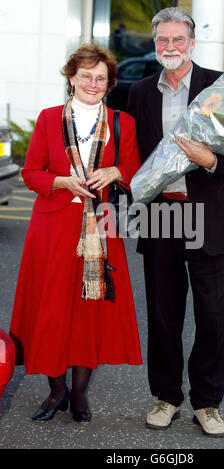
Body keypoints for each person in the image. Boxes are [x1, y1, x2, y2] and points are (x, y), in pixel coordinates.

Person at [128, 7, 224, 437]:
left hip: (210, 216)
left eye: (179, 40)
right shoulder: (141, 92)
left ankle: (208, 403)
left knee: (212, 314)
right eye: (163, 40)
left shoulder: (220, 86)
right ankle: (165, 397)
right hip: (161, 215)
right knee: (163, 313)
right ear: (155, 43)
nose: (171, 47)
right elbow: (134, 156)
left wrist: (209, 159)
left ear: (192, 44)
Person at [9, 43, 142, 423]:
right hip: (51, 228)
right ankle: (56, 392)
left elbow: (134, 166)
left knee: (89, 311)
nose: (93, 83)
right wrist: (61, 181)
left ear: (109, 83)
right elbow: (31, 172)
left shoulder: (122, 122)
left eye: (101, 78)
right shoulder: (49, 118)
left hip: (99, 227)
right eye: (87, 76)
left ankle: (80, 395)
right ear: (72, 77)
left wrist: (116, 172)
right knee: (51, 310)